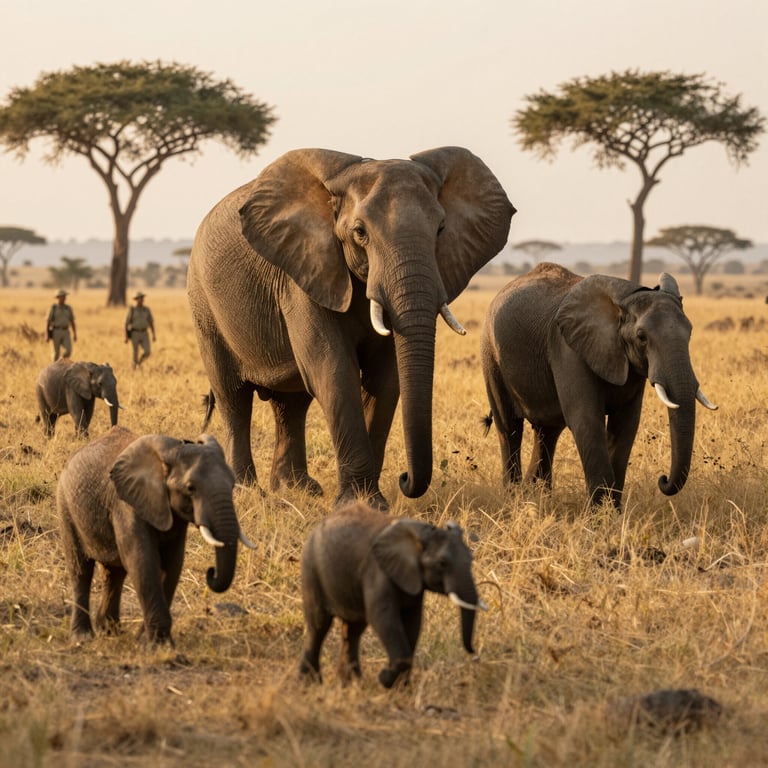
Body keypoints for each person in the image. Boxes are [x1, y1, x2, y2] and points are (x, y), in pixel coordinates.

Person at [125, 291, 156, 368]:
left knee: (147, 351)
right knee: (135, 352)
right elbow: (126, 323)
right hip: (135, 333)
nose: (142, 299)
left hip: (144, 332)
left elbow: (151, 322)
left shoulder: (146, 310)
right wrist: (126, 337)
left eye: (142, 298)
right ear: (136, 299)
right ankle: (134, 367)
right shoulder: (132, 310)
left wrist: (153, 334)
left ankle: (140, 362)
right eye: (140, 298)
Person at [46, 289, 77, 361]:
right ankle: (54, 368)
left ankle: (61, 362)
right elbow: (48, 322)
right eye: (62, 296)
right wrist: (47, 334)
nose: (64, 298)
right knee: (56, 353)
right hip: (55, 331)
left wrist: (75, 333)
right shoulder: (53, 308)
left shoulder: (68, 308)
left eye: (64, 296)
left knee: (68, 351)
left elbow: (72, 321)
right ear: (58, 297)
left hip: (65, 331)